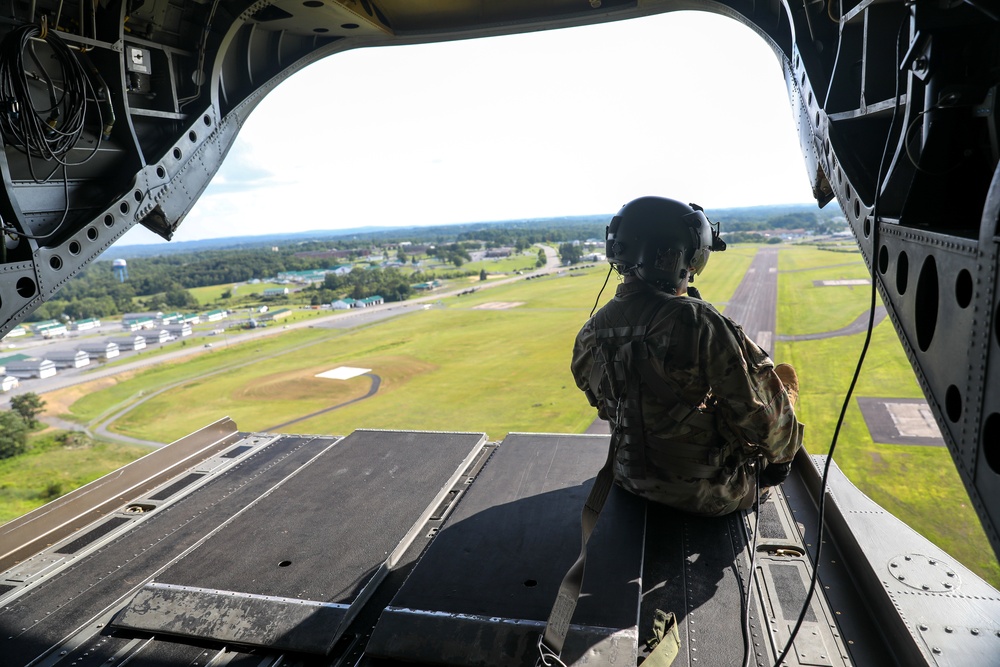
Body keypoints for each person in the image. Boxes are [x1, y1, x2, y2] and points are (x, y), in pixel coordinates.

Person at [571, 196, 803, 516]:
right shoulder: (699, 322)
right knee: (780, 387)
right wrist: (780, 465)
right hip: (706, 495)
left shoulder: (591, 331)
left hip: (628, 480)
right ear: (679, 258)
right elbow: (766, 425)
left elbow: (606, 402)